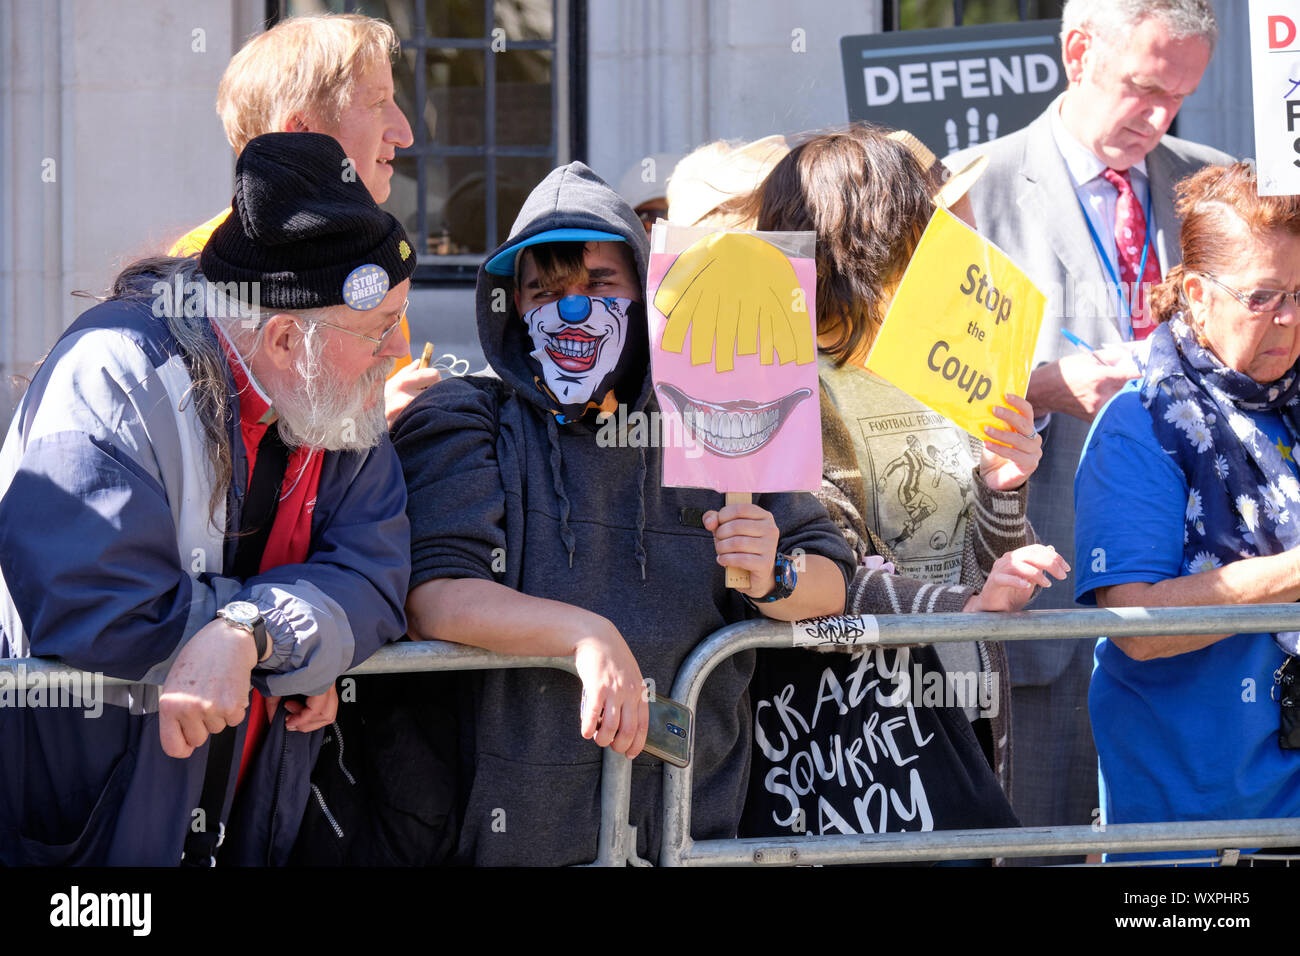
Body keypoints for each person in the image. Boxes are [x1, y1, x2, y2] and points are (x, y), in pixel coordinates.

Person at [392, 160, 856, 866]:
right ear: (512, 305)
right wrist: (585, 635)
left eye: (599, 284)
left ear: (643, 292)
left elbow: (832, 582)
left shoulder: (717, 412)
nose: (571, 308)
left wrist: (775, 575)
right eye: (544, 289)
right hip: (511, 841)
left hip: (694, 833)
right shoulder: (469, 419)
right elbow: (437, 595)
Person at [0, 132, 413, 865]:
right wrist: (281, 646)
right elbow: (95, 605)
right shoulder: (112, 375)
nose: (396, 354)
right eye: (380, 331)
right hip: (97, 817)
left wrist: (252, 635)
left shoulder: (338, 391)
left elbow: (376, 576)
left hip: (240, 811)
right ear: (286, 339)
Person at [737, 124, 1066, 842]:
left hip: (961, 706)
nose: (938, 245)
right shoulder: (774, 381)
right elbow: (820, 574)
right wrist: (971, 603)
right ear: (865, 240)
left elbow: (984, 566)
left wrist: (1003, 491)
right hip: (839, 738)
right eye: (919, 222)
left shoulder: (944, 365)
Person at [959, 0, 1233, 848]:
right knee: (1036, 844)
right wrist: (1041, 385)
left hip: (1197, 603)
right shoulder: (972, 189)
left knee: (1182, 873)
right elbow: (922, 397)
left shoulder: (1219, 188)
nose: (1159, 119)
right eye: (1145, 88)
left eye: (1180, 97)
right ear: (1078, 51)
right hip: (1044, 590)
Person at [1074, 161, 1300, 863]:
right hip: (1192, 832)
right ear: (1196, 296)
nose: (1289, 320)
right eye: (1264, 297)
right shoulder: (1140, 422)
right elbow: (1134, 625)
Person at [167, 12, 439, 418]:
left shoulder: (368, 248)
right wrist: (372, 422)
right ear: (301, 134)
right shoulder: (199, 262)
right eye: (378, 102)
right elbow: (221, 440)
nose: (404, 132)